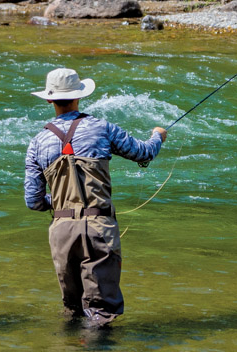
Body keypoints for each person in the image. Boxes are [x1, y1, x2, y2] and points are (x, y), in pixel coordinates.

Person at [23, 67, 167, 328]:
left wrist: (58, 205)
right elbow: (143, 153)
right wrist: (158, 136)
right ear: (79, 96)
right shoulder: (102, 128)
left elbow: (32, 201)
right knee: (101, 312)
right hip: (99, 228)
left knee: (73, 309)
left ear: (48, 99)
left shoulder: (38, 141)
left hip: (61, 231)